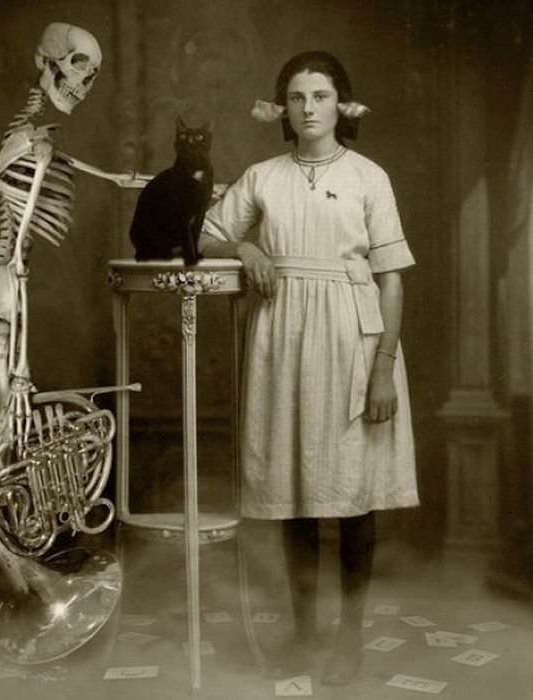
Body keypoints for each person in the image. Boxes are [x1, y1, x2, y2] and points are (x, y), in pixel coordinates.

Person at [199, 51, 418, 685]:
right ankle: (302, 633)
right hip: (283, 342)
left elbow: (392, 279)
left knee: (352, 495)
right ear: (282, 108)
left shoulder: (369, 177)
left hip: (353, 340)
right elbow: (205, 234)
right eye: (296, 97)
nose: (308, 108)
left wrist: (383, 368)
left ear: (341, 105)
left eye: (320, 96)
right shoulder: (263, 177)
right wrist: (245, 246)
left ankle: (350, 637)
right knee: (296, 492)